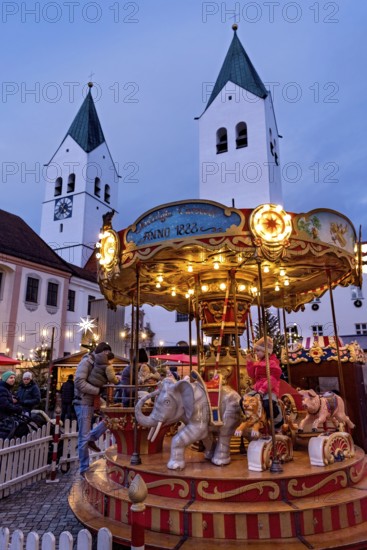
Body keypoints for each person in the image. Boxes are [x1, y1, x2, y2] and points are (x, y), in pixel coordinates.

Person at [74, 342, 115, 477]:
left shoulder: (101, 364)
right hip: (83, 401)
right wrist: (97, 390)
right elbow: (79, 382)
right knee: (83, 435)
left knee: (112, 417)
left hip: (95, 399)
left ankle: (92, 436)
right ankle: (84, 468)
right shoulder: (87, 362)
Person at [246, 337, 283, 427]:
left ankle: (277, 419)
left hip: (270, 389)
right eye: (255, 351)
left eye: (258, 351)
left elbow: (273, 379)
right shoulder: (258, 363)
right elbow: (252, 376)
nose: (256, 353)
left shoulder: (272, 363)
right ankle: (251, 418)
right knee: (244, 401)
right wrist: (250, 363)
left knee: (267, 403)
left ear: (266, 352)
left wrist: (263, 389)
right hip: (258, 388)